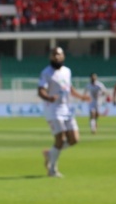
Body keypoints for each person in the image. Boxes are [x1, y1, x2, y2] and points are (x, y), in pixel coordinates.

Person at [38, 47, 89, 177]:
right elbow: (41, 90)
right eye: (54, 55)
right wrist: (49, 97)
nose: (56, 57)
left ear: (63, 56)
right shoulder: (46, 73)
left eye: (59, 54)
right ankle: (52, 170)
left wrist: (81, 97)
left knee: (74, 139)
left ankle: (50, 154)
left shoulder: (67, 71)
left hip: (67, 109)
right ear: (50, 57)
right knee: (60, 138)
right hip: (53, 109)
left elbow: (69, 88)